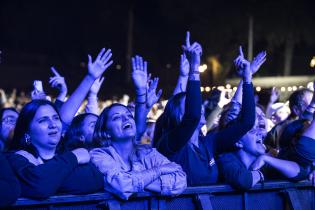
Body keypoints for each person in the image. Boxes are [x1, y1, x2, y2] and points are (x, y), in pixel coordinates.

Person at [6, 48, 113, 199]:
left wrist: (49, 176)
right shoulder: (14, 159)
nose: (53, 124)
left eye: (55, 118)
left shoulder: (63, 151)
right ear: (27, 132)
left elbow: (93, 179)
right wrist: (74, 158)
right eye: (43, 120)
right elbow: (39, 185)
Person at [90, 56, 186, 200]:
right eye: (116, 117)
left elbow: (180, 180)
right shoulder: (99, 155)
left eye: (129, 115)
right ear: (106, 132)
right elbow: (122, 185)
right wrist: (159, 171)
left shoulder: (147, 152)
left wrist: (134, 181)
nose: (126, 119)